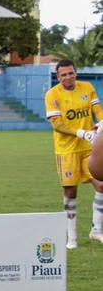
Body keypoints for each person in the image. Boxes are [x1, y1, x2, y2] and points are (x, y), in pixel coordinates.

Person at [44, 59, 103, 249]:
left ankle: (96, 230)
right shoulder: (52, 95)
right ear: (58, 76)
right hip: (67, 150)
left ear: (75, 73)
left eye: (71, 73)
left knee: (101, 185)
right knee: (71, 191)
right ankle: (72, 236)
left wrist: (101, 123)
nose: (68, 77)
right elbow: (57, 124)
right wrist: (81, 132)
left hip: (88, 148)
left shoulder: (87, 87)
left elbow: (97, 110)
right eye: (63, 75)